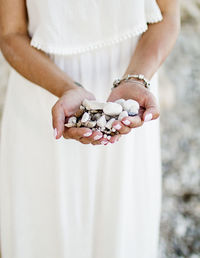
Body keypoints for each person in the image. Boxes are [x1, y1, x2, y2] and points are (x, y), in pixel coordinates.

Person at [0, 0, 180, 257]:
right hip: (43, 92)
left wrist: (136, 78)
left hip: (131, 92)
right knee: (43, 231)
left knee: (121, 231)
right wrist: (65, 88)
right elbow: (10, 33)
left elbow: (167, 13)